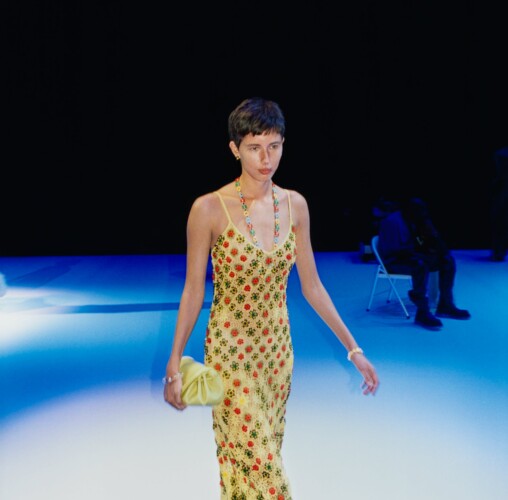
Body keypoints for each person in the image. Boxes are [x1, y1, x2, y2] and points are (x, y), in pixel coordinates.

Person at [163, 97, 379, 499]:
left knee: (255, 462)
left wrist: (354, 350)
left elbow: (312, 286)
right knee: (265, 472)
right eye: (254, 147)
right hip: (230, 355)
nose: (266, 158)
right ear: (234, 148)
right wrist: (175, 363)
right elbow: (193, 289)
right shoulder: (208, 209)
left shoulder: (295, 206)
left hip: (277, 355)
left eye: (274, 146)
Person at [377, 197, 471, 329]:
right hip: (394, 261)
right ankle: (422, 312)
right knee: (420, 265)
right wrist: (420, 252)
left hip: (412, 257)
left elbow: (433, 243)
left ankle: (446, 305)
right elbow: (392, 250)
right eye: (420, 211)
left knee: (447, 260)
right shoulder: (392, 222)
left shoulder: (418, 219)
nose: (423, 214)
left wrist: (435, 241)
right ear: (410, 210)